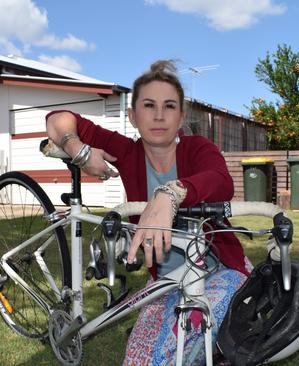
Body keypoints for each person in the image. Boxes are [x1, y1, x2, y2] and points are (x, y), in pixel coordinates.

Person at [45, 60, 252, 365]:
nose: (158, 115)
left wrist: (170, 195)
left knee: (195, 339)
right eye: (148, 105)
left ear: (181, 116)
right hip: (166, 283)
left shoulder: (197, 148)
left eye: (169, 106)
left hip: (219, 270)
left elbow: (221, 182)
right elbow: (58, 118)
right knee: (139, 360)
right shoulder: (127, 153)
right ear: (133, 116)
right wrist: (80, 150)